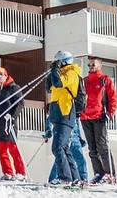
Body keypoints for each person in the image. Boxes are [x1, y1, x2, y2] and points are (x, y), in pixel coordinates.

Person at [46, 50, 85, 186]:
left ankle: (65, 178)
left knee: (57, 148)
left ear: (63, 61)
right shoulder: (60, 73)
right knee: (63, 148)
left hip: (66, 113)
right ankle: (75, 178)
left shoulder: (72, 73)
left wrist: (55, 70)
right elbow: (49, 87)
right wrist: (52, 71)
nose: (57, 64)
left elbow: (59, 84)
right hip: (58, 115)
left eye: (58, 61)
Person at [81, 57, 117, 184]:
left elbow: (113, 98)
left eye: (93, 64)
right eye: (89, 64)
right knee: (92, 149)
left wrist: (109, 113)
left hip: (99, 117)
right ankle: (99, 173)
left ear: (99, 66)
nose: (91, 66)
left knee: (102, 147)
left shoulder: (105, 80)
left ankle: (110, 175)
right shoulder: (84, 81)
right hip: (85, 117)